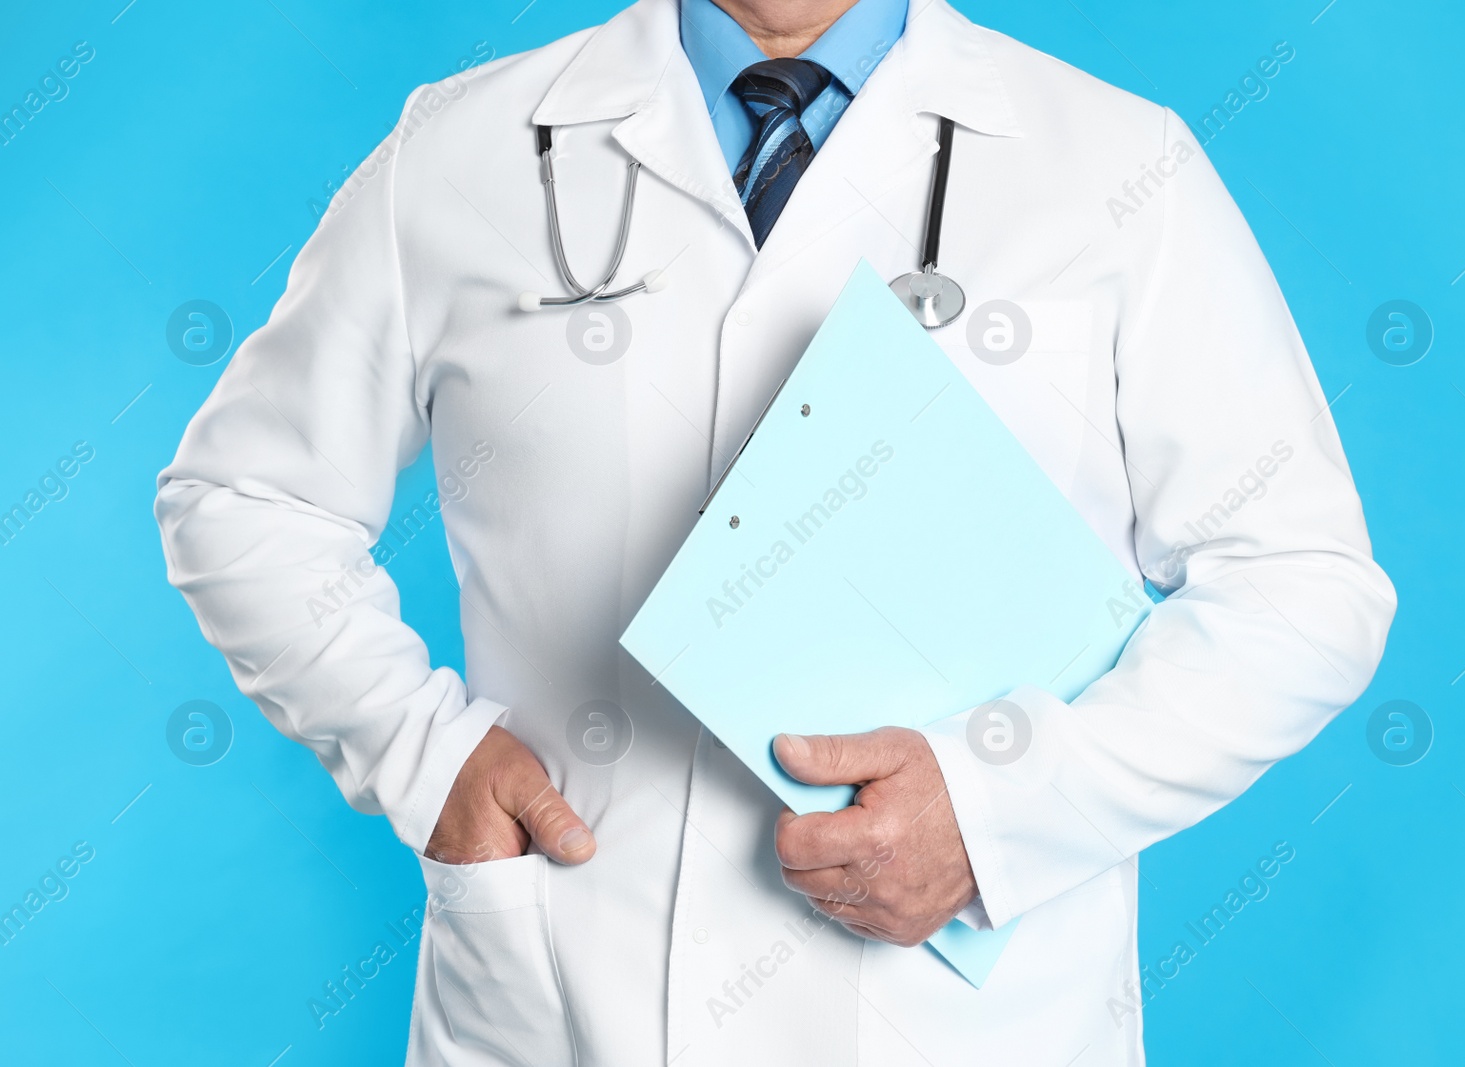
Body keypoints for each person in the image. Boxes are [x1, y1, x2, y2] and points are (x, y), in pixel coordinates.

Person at [154, 0, 1396, 1062]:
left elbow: (1300, 584)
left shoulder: (1117, 169)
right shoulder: (465, 148)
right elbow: (246, 497)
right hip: (570, 991)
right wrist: (421, 757)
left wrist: (1000, 809)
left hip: (965, 1019)